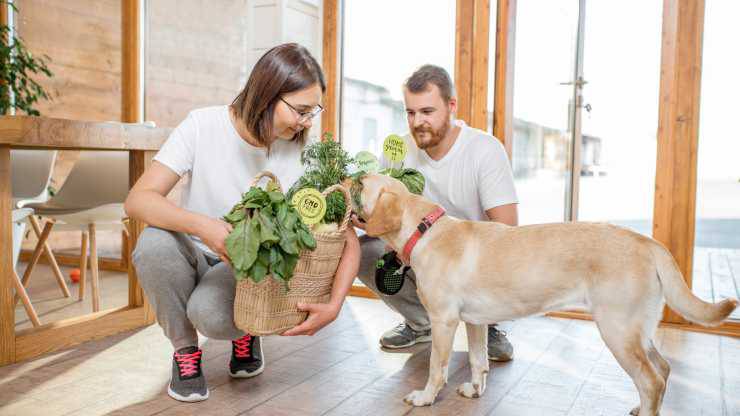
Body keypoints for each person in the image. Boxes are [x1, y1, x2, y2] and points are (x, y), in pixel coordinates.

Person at [125, 43, 360, 402]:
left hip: (247, 269)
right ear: (267, 93)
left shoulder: (301, 154)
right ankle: (185, 352)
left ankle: (247, 329)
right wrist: (205, 227)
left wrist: (335, 305)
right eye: (300, 110)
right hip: (195, 248)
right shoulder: (202, 125)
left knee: (211, 316)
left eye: (313, 111)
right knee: (153, 245)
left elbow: (347, 237)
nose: (307, 122)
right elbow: (138, 200)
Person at [353, 64, 519, 361]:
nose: (418, 122)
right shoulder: (399, 150)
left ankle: (486, 324)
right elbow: (384, 216)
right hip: (417, 256)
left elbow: (508, 230)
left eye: (427, 112)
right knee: (365, 250)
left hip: (471, 263)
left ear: (451, 106)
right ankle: (422, 323)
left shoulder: (484, 149)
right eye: (410, 112)